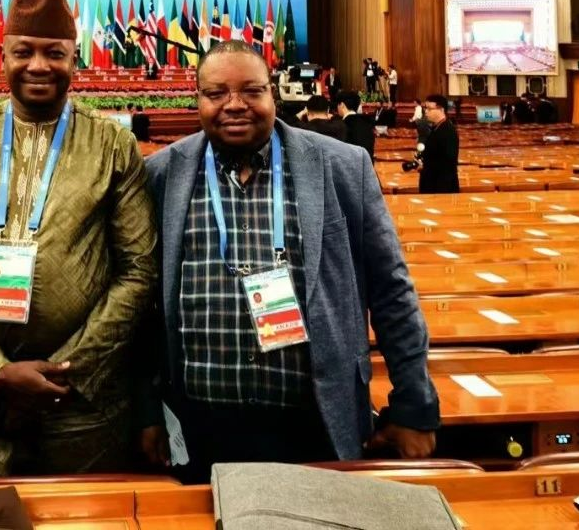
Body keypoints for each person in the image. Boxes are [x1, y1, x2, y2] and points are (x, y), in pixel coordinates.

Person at [138, 42, 438, 479]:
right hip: (198, 426)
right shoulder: (162, 175)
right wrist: (147, 409)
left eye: (251, 90)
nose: (234, 105)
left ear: (273, 93)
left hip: (315, 422)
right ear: (198, 98)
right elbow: (143, 307)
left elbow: (392, 292)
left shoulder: (342, 166)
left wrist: (414, 405)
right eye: (217, 93)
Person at [0, 0, 158, 476]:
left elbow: (138, 271)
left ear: (75, 58)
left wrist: (65, 373)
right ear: (2, 55)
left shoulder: (113, 144)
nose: (38, 65)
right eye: (24, 51)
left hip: (84, 405)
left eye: (55, 53)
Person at [418, 95, 459, 194]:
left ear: (441, 110)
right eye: (425, 108)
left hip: (441, 188)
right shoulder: (436, 127)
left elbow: (448, 163)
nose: (426, 111)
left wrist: (424, 166)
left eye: (429, 108)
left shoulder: (448, 130)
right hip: (433, 183)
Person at [334, 92, 375, 159]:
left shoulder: (341, 125)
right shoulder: (367, 123)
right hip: (367, 163)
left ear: (342, 105)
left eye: (338, 104)